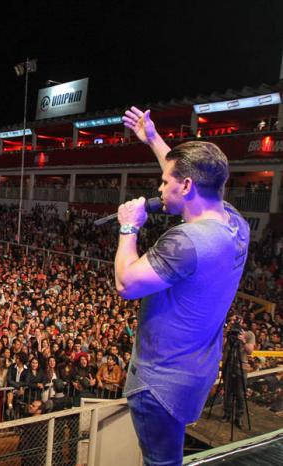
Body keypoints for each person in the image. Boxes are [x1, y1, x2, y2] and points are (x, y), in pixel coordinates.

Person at [119, 107, 250, 466]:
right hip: (196, 370)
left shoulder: (186, 241)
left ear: (188, 186)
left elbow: (127, 283)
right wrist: (154, 139)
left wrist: (129, 227)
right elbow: (186, 177)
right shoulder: (236, 223)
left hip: (159, 381)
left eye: (165, 182)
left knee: (161, 462)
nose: (160, 188)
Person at [222, 317, 256, 428]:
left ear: (242, 322)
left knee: (240, 394)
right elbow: (221, 346)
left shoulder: (249, 334)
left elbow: (250, 351)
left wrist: (243, 340)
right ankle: (227, 414)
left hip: (241, 366)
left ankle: (238, 417)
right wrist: (225, 334)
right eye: (232, 320)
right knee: (227, 391)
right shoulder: (227, 333)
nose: (234, 322)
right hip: (228, 365)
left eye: (236, 320)